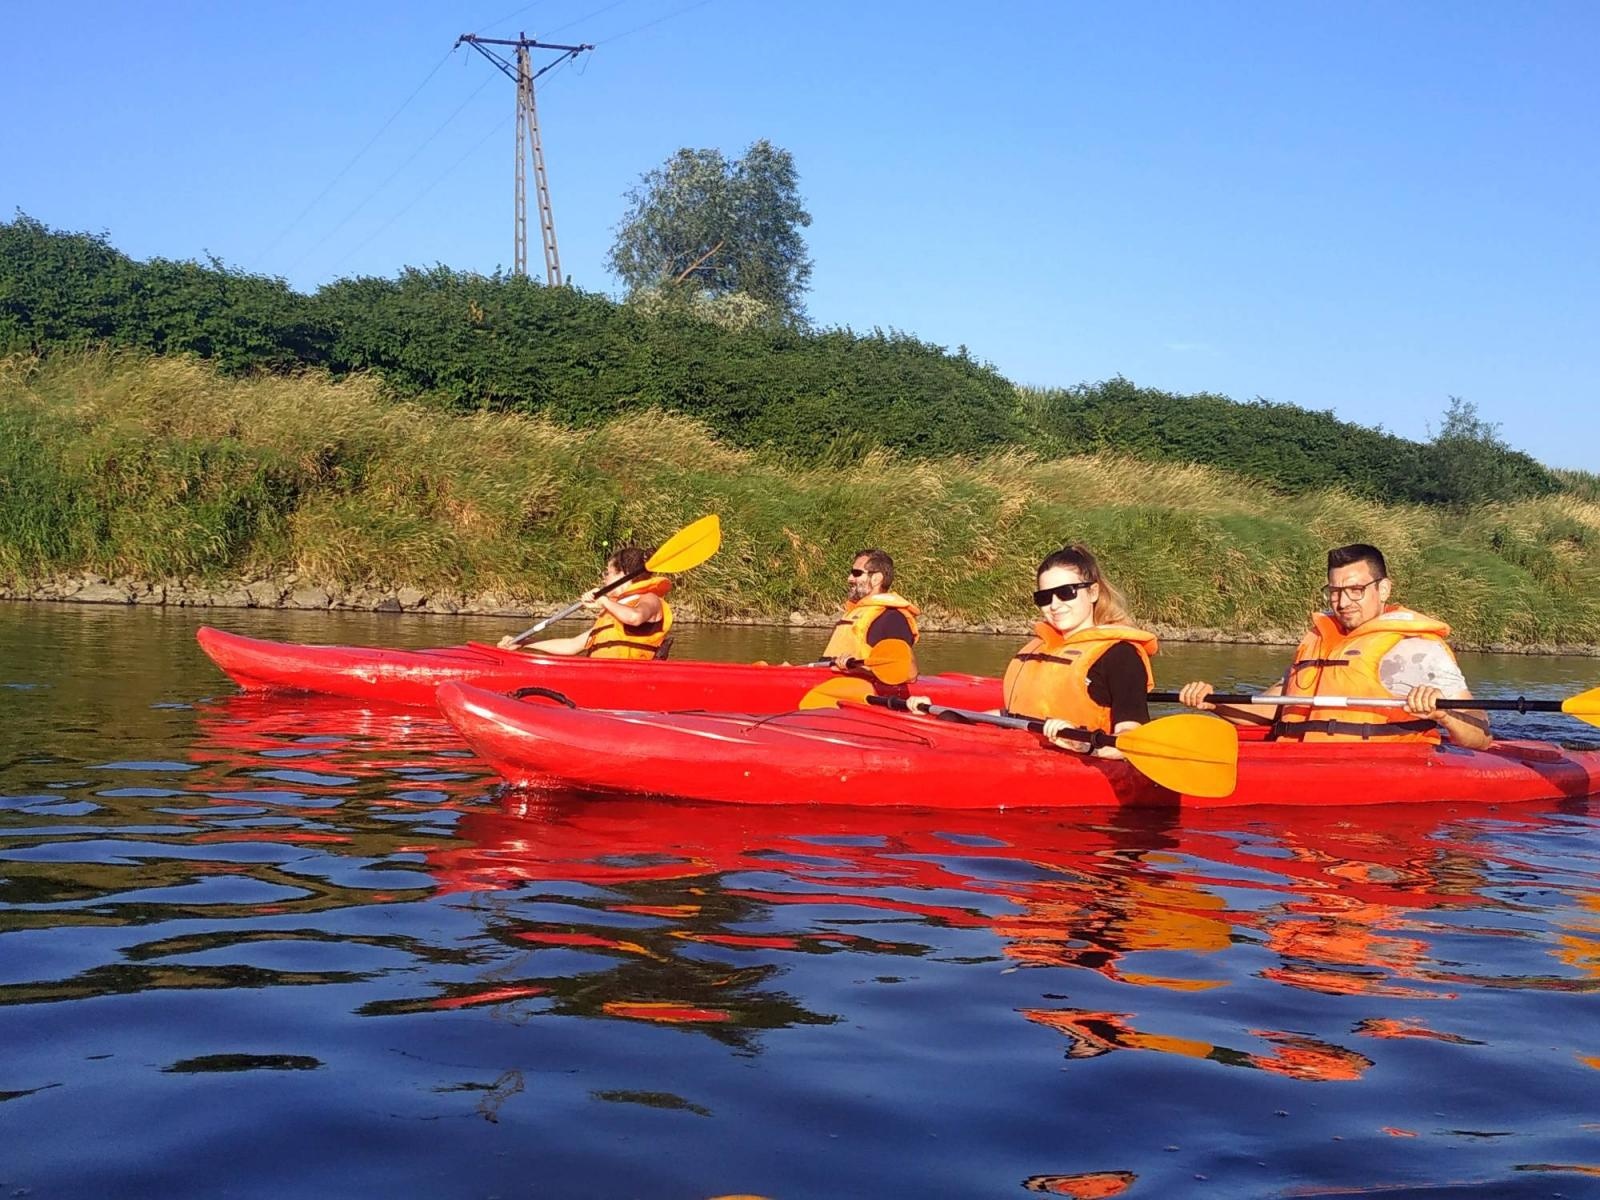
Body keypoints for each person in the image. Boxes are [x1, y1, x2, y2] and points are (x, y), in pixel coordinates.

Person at [1178, 543, 1491, 748]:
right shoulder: (1318, 641)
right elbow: (1273, 708)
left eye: (1355, 590)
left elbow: (1481, 735)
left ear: (1383, 589)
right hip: (1298, 766)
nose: (1342, 602)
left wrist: (1444, 716)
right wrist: (1214, 702)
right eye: (1334, 591)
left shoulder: (1415, 649)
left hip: (1376, 772)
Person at [913, 545, 1156, 758]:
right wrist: (941, 715)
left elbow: (1130, 739)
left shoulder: (1120, 655)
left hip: (1084, 761)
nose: (1054, 605)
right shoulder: (1039, 647)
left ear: (1092, 592)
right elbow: (1014, 715)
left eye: (1066, 592)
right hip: (1020, 750)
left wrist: (1086, 747)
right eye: (1044, 597)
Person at [498, 546, 672, 659]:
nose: (604, 578)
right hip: (602, 678)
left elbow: (635, 617)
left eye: (607, 573)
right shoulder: (612, 612)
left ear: (622, 574)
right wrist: (525, 643)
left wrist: (604, 600)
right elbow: (572, 645)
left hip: (629, 681)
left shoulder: (650, 599)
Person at [821, 548, 920, 679]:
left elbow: (902, 674)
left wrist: (858, 670)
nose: (849, 578)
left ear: (876, 579)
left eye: (856, 573)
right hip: (830, 682)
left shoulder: (892, 618)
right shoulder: (853, 613)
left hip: (863, 690)